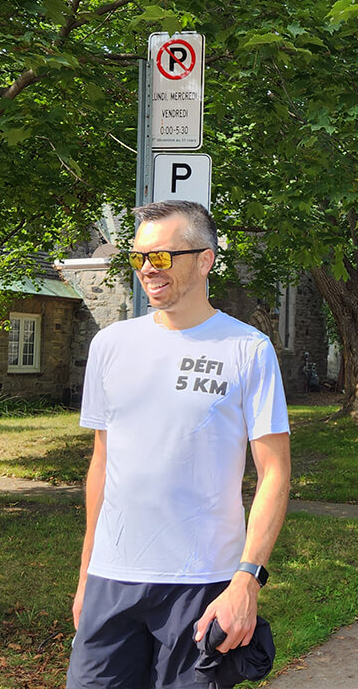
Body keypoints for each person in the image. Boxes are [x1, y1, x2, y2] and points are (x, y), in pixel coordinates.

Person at [67, 200, 292, 689]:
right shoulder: (110, 345)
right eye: (139, 257)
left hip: (202, 584)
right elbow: (103, 463)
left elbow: (274, 473)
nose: (149, 269)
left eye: (163, 257)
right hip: (113, 579)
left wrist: (247, 581)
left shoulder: (247, 349)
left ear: (205, 259)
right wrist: (87, 572)